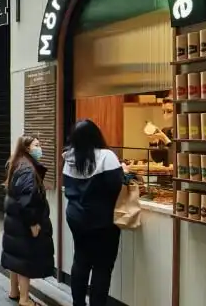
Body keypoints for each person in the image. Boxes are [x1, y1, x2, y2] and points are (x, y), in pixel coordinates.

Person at [62, 120, 124, 306]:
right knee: (102, 267)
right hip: (102, 221)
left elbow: (68, 186)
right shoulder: (106, 156)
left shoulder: (69, 157)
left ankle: (78, 304)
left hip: (75, 217)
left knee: (81, 261)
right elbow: (116, 186)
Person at [1, 135, 54, 306]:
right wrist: (34, 223)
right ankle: (24, 299)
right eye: (36, 145)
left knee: (16, 257)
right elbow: (27, 200)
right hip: (23, 223)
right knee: (24, 260)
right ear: (27, 149)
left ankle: (14, 291)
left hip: (14, 222)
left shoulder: (16, 163)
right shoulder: (27, 169)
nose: (40, 148)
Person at [147, 98, 173, 165]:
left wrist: (165, 139)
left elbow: (176, 158)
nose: (165, 116)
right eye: (163, 112)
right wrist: (154, 143)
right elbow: (158, 159)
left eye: (169, 111)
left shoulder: (184, 132)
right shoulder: (165, 131)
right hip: (166, 173)